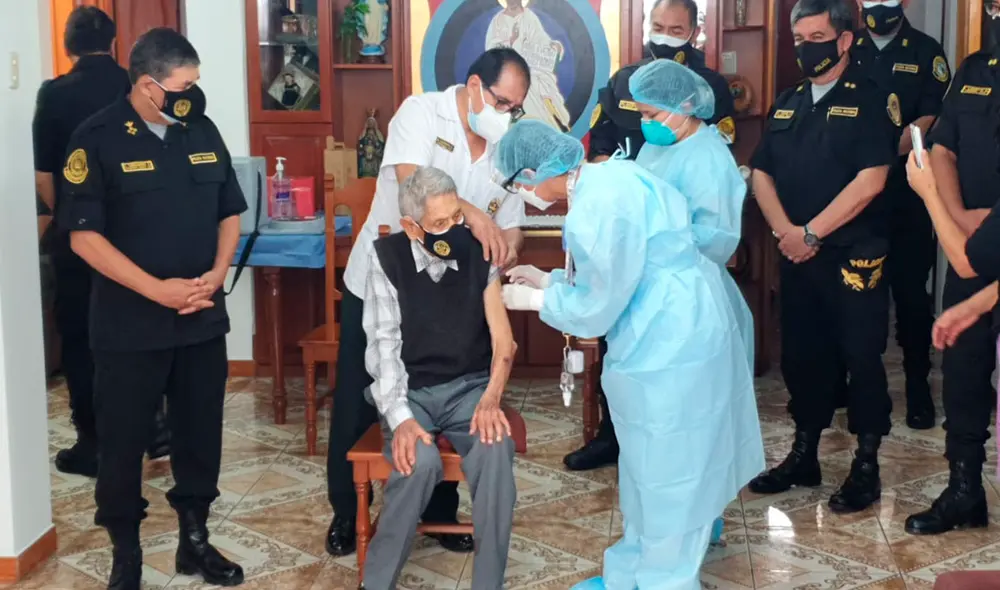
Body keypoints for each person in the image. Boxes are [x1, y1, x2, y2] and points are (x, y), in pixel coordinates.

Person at [500, 120, 763, 590]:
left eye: (516, 183)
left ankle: (666, 581)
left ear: (536, 171)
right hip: (668, 322)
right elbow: (619, 270)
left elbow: (597, 306)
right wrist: (549, 279)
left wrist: (540, 300)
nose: (521, 192)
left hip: (672, 341)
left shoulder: (597, 205)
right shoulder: (607, 177)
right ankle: (630, 573)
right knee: (646, 466)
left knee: (671, 471)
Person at [58, 28, 246, 590]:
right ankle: (127, 555)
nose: (193, 95)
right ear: (147, 86)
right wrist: (156, 290)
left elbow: (229, 211)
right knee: (122, 444)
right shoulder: (96, 138)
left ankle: (195, 541)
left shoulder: (201, 130)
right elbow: (84, 238)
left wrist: (219, 271)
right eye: (184, 86)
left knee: (199, 437)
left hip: (200, 318)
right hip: (130, 326)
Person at [325, 47, 530, 558]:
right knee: (360, 397)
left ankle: (440, 510)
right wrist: (473, 216)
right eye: (501, 102)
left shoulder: (505, 146)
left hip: (455, 300)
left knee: (446, 391)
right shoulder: (421, 113)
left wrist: (507, 244)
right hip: (385, 284)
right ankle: (346, 513)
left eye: (515, 108)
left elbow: (512, 222)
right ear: (475, 86)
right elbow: (410, 181)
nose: (506, 114)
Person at [565, 0, 737, 473]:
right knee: (620, 350)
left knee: (675, 373)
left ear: (694, 31)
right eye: (657, 25)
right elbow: (601, 149)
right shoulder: (625, 81)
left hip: (677, 271)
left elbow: (713, 209)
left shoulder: (708, 94)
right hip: (627, 249)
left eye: (675, 28)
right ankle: (613, 435)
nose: (664, 34)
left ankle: (670, 455)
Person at [747, 0, 899, 514]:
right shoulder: (789, 101)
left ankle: (866, 465)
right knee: (802, 354)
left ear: (845, 40)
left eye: (817, 38)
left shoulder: (871, 97)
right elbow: (762, 172)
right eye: (800, 39)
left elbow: (871, 180)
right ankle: (804, 454)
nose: (806, 49)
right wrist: (787, 233)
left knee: (861, 356)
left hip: (852, 255)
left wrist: (810, 233)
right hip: (798, 255)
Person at [359, 166, 517, 590]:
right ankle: (376, 584)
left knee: (495, 450)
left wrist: (491, 398)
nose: (453, 230)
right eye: (440, 223)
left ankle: (489, 585)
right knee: (417, 462)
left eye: (457, 217)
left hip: (469, 390)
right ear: (412, 227)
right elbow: (383, 347)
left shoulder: (477, 251)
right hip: (409, 393)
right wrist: (401, 420)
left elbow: (504, 341)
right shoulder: (386, 257)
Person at [32, 5, 170, 479]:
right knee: (142, 328)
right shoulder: (134, 86)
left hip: (79, 238)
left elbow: (44, 176)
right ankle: (154, 426)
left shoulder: (54, 93)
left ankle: (93, 442)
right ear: (114, 44)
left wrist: (70, 215)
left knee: (80, 338)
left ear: (68, 45)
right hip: (137, 234)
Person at [897, 17, 1000, 527]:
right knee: (962, 371)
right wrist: (959, 217)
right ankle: (964, 489)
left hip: (983, 242)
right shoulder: (976, 69)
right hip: (972, 242)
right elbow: (942, 147)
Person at [852, 0, 951, 429]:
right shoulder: (847, 46)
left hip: (907, 191)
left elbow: (930, 116)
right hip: (856, 196)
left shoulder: (926, 51)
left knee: (911, 294)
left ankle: (917, 386)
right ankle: (860, 385)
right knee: (860, 293)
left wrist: (885, 153)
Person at [485, 0, 571, 131]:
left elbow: (541, 40)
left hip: (533, 69)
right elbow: (491, 49)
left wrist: (554, 46)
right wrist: (511, 41)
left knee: (536, 84)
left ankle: (548, 126)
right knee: (521, 85)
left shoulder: (529, 17)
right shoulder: (498, 21)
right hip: (509, 70)